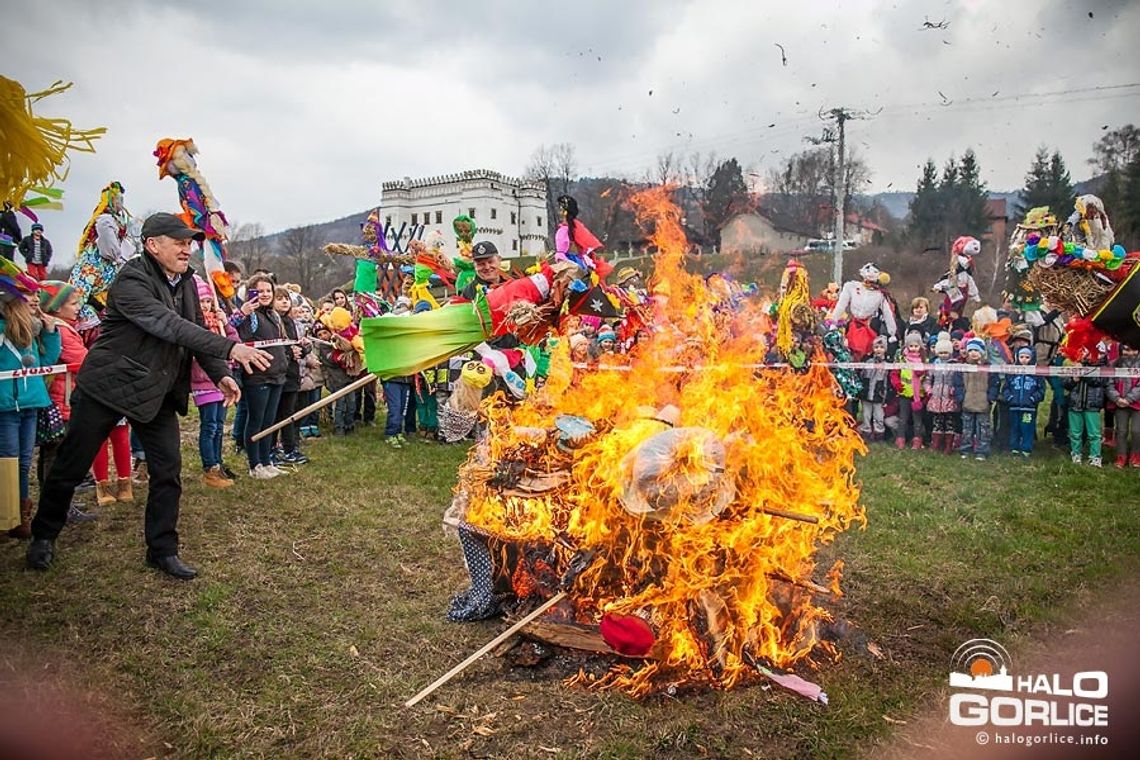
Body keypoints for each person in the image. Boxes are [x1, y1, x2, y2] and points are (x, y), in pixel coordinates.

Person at [26, 213, 273, 578]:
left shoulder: (187, 282)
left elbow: (193, 331)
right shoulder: (131, 279)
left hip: (156, 391)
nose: (186, 249)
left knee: (168, 470)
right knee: (70, 467)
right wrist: (231, 350)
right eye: (178, 242)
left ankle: (162, 549)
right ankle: (43, 536)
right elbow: (168, 325)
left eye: (189, 243)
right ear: (152, 244)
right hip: (108, 387)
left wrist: (220, 373)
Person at [35, 281, 97, 523]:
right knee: (59, 459)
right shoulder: (61, 331)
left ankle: (58, 504)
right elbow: (84, 361)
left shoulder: (62, 327)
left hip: (61, 400)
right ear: (56, 307)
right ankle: (58, 507)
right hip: (61, 402)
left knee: (54, 456)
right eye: (72, 303)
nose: (77, 308)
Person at [1, 290, 61, 539]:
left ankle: (20, 514)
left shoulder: (32, 330)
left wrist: (50, 332)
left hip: (31, 403)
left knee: (23, 463)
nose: (35, 300)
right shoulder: (5, 329)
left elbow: (46, 360)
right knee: (7, 461)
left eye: (36, 294)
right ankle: (6, 515)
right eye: (27, 296)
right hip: (6, 406)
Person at [233, 274, 288, 479]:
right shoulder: (251, 316)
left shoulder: (274, 315)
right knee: (256, 420)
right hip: (258, 376)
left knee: (270, 422)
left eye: (268, 291)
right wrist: (244, 312)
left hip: (277, 375)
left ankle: (266, 460)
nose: (265, 295)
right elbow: (243, 339)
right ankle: (254, 464)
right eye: (260, 291)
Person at [190, 276, 238, 488]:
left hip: (221, 380)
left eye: (208, 301)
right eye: (201, 301)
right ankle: (209, 467)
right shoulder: (193, 326)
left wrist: (225, 324)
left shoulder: (217, 322)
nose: (206, 305)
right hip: (203, 382)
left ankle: (218, 464)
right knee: (209, 426)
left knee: (219, 426)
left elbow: (235, 343)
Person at [270, 286, 309, 466]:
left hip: (292, 374)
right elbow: (273, 346)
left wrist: (302, 348)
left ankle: (290, 448)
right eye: (280, 298)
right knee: (274, 415)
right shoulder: (273, 321)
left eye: (287, 298)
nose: (285, 301)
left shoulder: (292, 322)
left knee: (288, 414)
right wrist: (288, 351)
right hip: (278, 374)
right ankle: (271, 449)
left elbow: (298, 346)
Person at [958, 337, 1000, 461]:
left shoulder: (989, 368)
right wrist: (961, 397)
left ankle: (982, 450)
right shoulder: (963, 368)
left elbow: (994, 384)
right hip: (967, 402)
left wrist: (990, 398)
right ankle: (965, 448)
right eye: (971, 350)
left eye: (976, 350)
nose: (973, 353)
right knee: (967, 428)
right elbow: (958, 383)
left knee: (983, 429)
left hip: (983, 404)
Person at [1064, 351, 1109, 467]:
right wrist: (1074, 379)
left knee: (1094, 434)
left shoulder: (1104, 368)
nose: (1091, 355)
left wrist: (1084, 374)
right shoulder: (1075, 365)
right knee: (1075, 433)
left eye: (1097, 353)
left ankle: (1095, 457)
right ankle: (1076, 454)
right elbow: (1065, 384)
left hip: (1092, 405)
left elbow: (1099, 382)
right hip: (1075, 404)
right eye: (1087, 352)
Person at [1001, 347, 1047, 457]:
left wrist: (1033, 399)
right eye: (1021, 357)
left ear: (1031, 358)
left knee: (1027, 428)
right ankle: (1014, 447)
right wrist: (1009, 398)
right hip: (1014, 408)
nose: (1024, 359)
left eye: (1027, 357)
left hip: (1028, 409)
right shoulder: (1012, 372)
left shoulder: (1036, 373)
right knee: (1014, 427)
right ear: (1017, 357)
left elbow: (1041, 390)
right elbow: (1006, 388)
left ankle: (1026, 448)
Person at [923, 333, 964, 454]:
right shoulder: (933, 365)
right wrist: (929, 390)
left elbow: (958, 380)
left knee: (949, 422)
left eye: (946, 353)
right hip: (936, 397)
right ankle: (936, 443)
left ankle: (948, 445)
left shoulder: (955, 365)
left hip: (949, 398)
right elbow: (928, 379)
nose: (943, 355)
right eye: (941, 353)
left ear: (950, 352)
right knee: (937, 422)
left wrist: (954, 390)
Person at [890, 332, 926, 449]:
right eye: (911, 346)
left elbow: (927, 376)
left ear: (920, 346)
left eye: (916, 346)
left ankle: (917, 439)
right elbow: (895, 373)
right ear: (907, 346)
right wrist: (897, 384)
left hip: (918, 396)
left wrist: (922, 373)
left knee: (917, 420)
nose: (914, 348)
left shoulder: (924, 360)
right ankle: (900, 438)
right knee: (903, 418)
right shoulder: (902, 359)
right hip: (904, 392)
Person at [1107, 343, 1140, 468]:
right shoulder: (1113, 364)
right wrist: (1117, 398)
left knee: (1137, 431)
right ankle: (1121, 457)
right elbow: (1108, 384)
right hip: (1119, 403)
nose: (1130, 353)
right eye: (1126, 350)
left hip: (1137, 403)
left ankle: (1136, 456)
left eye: (1133, 350)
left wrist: (1129, 398)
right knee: (1121, 431)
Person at [857, 335, 891, 442]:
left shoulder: (887, 365)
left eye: (881, 347)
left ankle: (879, 433)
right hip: (866, 394)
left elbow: (888, 382)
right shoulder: (868, 362)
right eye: (876, 347)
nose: (878, 349)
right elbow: (862, 376)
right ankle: (866, 432)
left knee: (879, 416)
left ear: (885, 349)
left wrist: (886, 396)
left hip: (879, 394)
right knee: (866, 415)